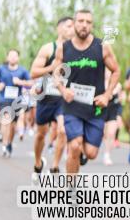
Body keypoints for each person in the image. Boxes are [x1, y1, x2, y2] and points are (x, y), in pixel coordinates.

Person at [55, 10, 120, 174]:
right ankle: (71, 188)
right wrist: (63, 90)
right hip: (72, 105)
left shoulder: (103, 47)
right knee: (75, 145)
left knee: (91, 153)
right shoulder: (64, 48)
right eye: (81, 21)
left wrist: (107, 95)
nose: (84, 25)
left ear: (92, 25)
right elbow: (56, 74)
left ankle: (80, 153)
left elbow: (116, 71)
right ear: (74, 23)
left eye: (88, 22)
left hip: (95, 107)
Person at [30, 17, 73, 174]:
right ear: (59, 29)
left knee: (63, 131)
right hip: (46, 98)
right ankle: (37, 162)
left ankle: (55, 166)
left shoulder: (76, 50)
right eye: (69, 26)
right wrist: (51, 67)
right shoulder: (48, 48)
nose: (72, 29)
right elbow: (33, 72)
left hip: (64, 100)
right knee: (41, 134)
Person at [0, 50, 32, 158]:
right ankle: (5, 144)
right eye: (11, 55)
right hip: (3, 99)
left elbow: (30, 82)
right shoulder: (1, 69)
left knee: (13, 126)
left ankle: (9, 142)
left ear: (18, 58)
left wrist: (20, 82)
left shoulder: (22, 71)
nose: (13, 58)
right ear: (7, 57)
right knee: (7, 120)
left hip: (16, 101)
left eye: (15, 56)